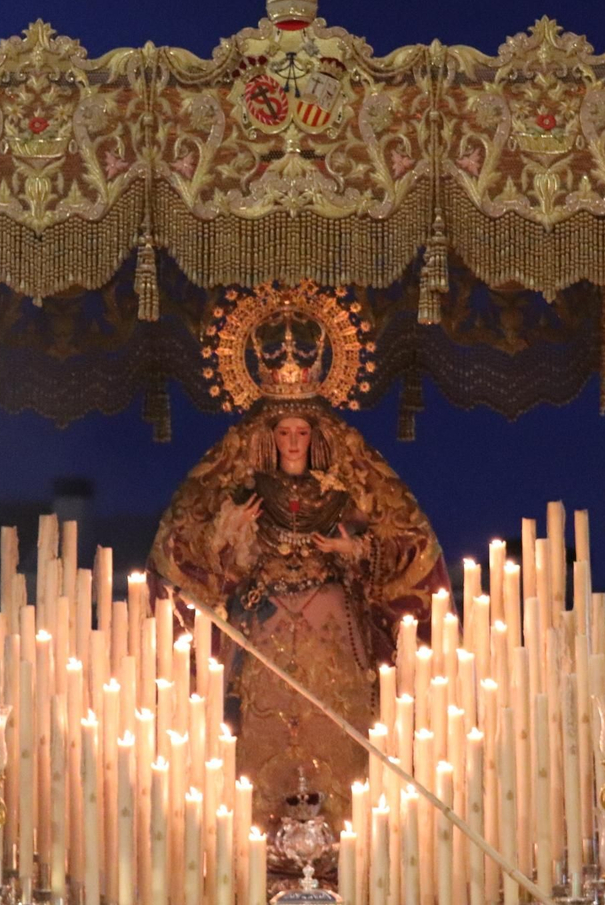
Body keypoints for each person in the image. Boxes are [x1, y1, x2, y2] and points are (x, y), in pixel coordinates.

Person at [150, 284, 448, 828]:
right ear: (270, 438)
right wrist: (231, 539)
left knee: (332, 729)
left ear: (314, 437)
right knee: (264, 733)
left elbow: (375, 552)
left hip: (330, 628)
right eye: (284, 432)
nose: (292, 441)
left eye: (301, 432)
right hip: (262, 631)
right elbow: (218, 567)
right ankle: (260, 829)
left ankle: (341, 830)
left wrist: (344, 548)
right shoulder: (247, 494)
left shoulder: (338, 494)